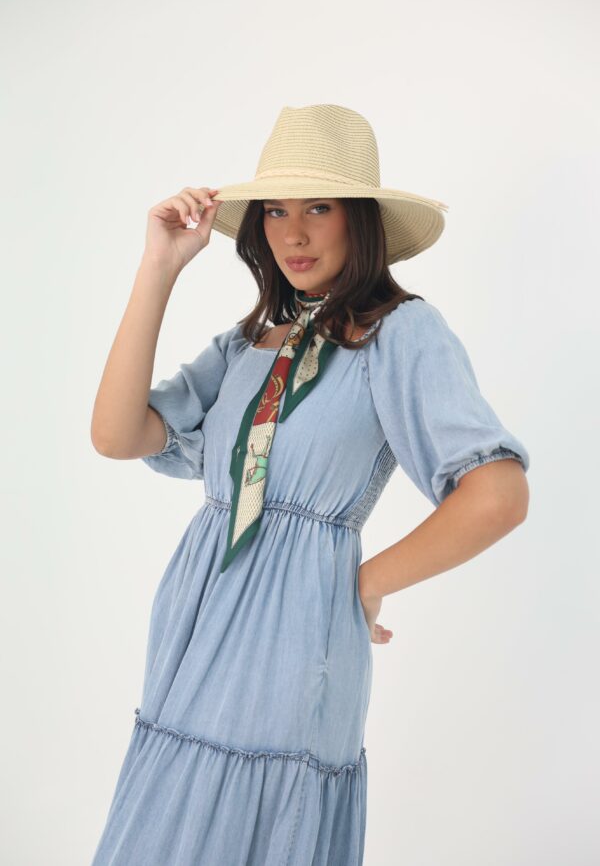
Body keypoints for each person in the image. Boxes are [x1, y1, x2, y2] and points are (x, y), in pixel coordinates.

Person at [90, 104, 530, 865]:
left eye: (319, 208)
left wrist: (362, 584)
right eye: (275, 211)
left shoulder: (402, 333)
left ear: (362, 220)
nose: (293, 233)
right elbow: (115, 435)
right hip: (193, 627)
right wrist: (157, 268)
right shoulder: (248, 342)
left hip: (295, 639)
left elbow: (498, 493)